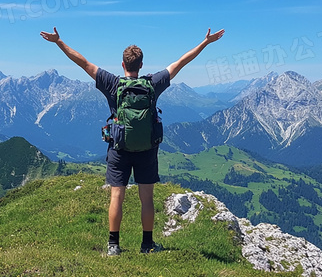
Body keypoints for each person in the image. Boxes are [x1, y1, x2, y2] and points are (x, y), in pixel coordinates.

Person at [40, 26, 225, 256]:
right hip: (147, 149)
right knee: (146, 198)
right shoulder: (152, 84)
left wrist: (59, 42)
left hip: (119, 148)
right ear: (141, 65)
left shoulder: (112, 84)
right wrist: (205, 43)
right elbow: (180, 62)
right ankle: (147, 245)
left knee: (117, 195)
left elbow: (83, 63)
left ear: (122, 65)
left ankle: (113, 246)